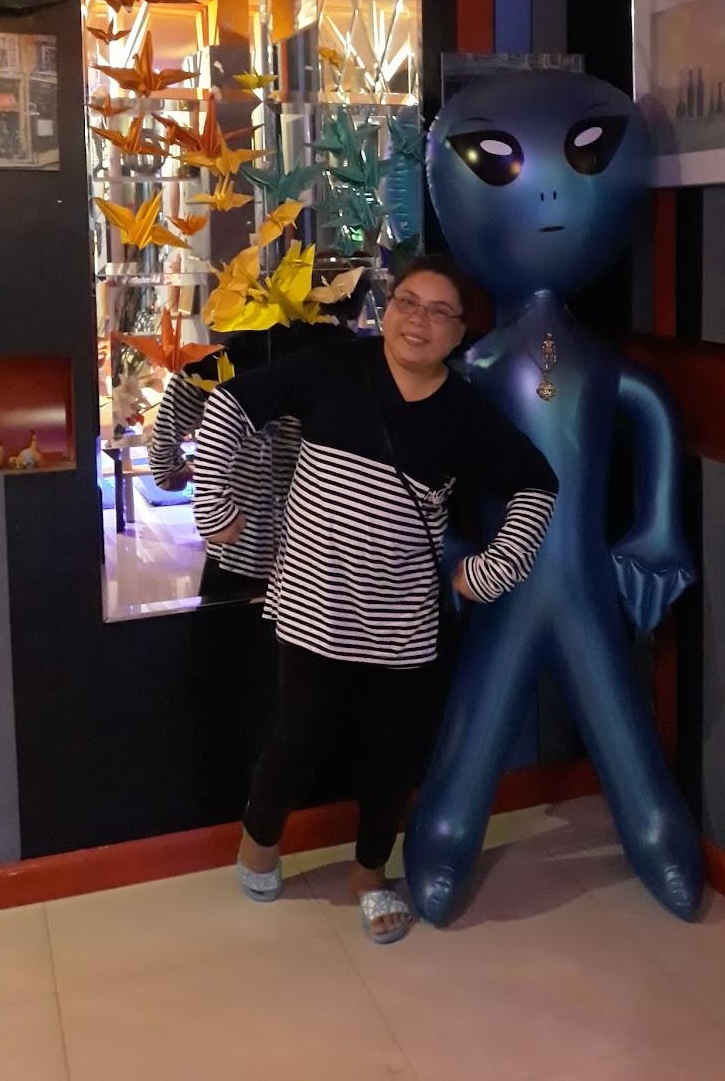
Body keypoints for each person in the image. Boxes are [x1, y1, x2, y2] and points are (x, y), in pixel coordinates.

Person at [191, 254, 558, 944]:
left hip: (404, 619)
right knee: (297, 740)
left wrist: (490, 573)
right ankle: (258, 843)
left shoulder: (464, 412)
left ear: (460, 333)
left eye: (439, 312)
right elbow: (229, 405)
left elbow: (536, 485)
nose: (418, 321)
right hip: (311, 605)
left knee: (391, 757)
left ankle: (368, 874)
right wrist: (214, 508)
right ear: (386, 310)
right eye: (407, 302)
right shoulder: (335, 366)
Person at [149, 317, 356, 605]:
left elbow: (162, 454)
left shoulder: (219, 357)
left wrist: (178, 474)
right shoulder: (355, 359)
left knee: (228, 629)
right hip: (323, 554)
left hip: (239, 543)